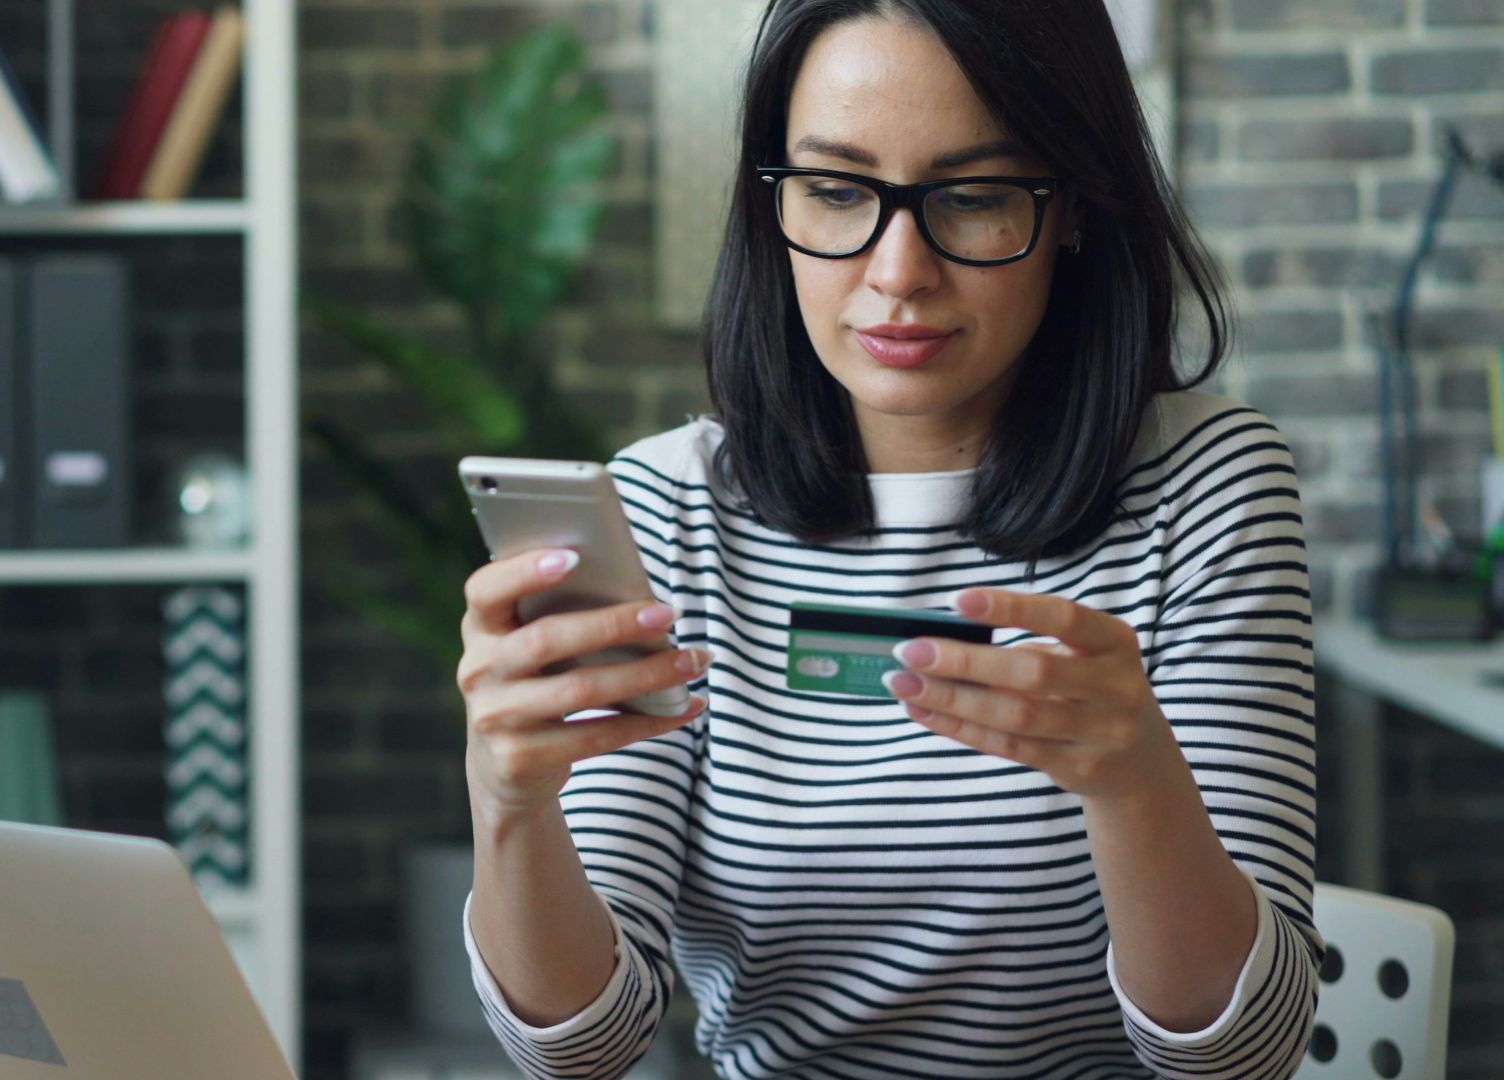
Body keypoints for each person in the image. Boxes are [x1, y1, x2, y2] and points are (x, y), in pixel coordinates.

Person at [453, 0, 1319, 1076]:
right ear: (773, 203)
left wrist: (1136, 784)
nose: (900, 271)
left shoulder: (1207, 484)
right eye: (834, 190)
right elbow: (578, 1052)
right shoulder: (667, 511)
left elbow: (1250, 1054)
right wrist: (510, 802)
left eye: (973, 198)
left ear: (1077, 208)